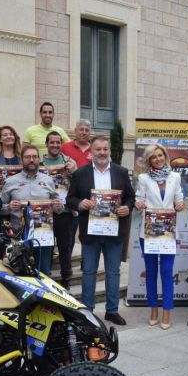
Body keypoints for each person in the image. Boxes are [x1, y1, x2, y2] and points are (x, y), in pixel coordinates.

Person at [67, 135, 135, 326]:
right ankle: (88, 311)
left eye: (105, 149)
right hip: (91, 233)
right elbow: (70, 199)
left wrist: (127, 208)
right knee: (89, 271)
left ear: (109, 151)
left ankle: (112, 311)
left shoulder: (121, 172)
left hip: (114, 233)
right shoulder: (80, 174)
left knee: (113, 272)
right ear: (91, 151)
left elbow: (130, 197)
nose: (102, 152)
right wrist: (80, 203)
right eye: (98, 149)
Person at [134, 144, 184, 329]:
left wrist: (180, 205)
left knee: (166, 271)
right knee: (151, 272)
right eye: (154, 157)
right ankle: (153, 308)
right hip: (148, 233)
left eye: (160, 155)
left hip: (169, 232)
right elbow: (139, 198)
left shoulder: (175, 177)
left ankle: (167, 311)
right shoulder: (143, 178)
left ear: (165, 156)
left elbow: (179, 198)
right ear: (149, 160)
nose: (158, 159)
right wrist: (138, 204)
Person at [0, 145, 64, 276]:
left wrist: (58, 206)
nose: (31, 160)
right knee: (21, 275)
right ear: (21, 160)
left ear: (38, 159)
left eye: (34, 157)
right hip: (19, 236)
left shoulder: (48, 180)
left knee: (44, 273)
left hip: (43, 235)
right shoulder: (10, 181)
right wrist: (9, 207)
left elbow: (59, 208)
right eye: (27, 157)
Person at [43, 131, 77, 288]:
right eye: (52, 142)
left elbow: (78, 183)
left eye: (58, 142)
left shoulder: (69, 161)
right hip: (44, 212)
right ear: (47, 144)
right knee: (46, 246)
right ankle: (45, 276)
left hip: (64, 212)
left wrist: (73, 172)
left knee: (65, 247)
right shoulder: (40, 162)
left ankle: (66, 279)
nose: (55, 145)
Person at [61, 118, 92, 257]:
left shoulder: (96, 149)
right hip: (71, 197)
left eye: (87, 130)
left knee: (88, 235)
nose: (84, 132)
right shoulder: (65, 147)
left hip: (91, 198)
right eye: (81, 129)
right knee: (70, 233)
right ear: (75, 131)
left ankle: (86, 264)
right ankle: (67, 262)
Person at [0, 125, 22, 233]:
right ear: (0, 139)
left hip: (18, 197)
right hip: (1, 198)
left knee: (18, 229)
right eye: (5, 135)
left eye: (11, 134)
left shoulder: (21, 155)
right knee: (1, 230)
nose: (8, 136)